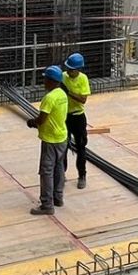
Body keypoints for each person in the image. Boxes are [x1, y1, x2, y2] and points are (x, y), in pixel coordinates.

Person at [23, 64, 71, 214]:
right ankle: (58, 197)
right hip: (62, 137)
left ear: (51, 81)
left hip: (50, 140)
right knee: (59, 168)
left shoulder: (49, 98)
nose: (43, 82)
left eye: (45, 80)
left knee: (46, 172)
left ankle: (47, 205)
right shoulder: (62, 94)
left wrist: (32, 122)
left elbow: (42, 119)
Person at [62, 52, 92, 189]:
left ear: (78, 69)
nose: (68, 71)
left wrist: (68, 92)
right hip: (65, 116)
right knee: (63, 146)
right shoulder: (63, 76)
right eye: (67, 68)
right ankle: (62, 173)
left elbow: (83, 99)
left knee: (80, 147)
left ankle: (82, 175)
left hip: (78, 117)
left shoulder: (83, 79)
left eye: (71, 69)